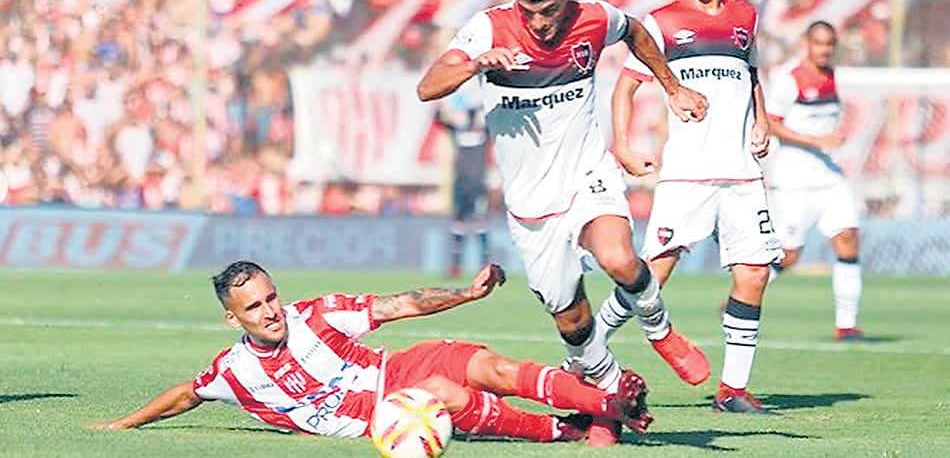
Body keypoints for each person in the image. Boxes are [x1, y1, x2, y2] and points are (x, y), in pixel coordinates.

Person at [416, 0, 711, 444]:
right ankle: (610, 396)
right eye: (529, 13)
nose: (540, 25)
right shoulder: (489, 29)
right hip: (531, 205)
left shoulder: (595, 18)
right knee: (572, 320)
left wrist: (672, 86)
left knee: (620, 259)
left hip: (586, 174)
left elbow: (636, 31)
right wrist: (474, 65)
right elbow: (428, 86)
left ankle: (662, 331)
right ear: (515, 2)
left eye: (550, 12)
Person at [89, 260, 653, 443]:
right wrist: (124, 422)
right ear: (232, 318)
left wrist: (466, 294)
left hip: (397, 367)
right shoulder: (233, 371)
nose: (271, 311)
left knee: (491, 366)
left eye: (271, 297)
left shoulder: (315, 314)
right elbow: (185, 394)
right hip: (376, 416)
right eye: (255, 307)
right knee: (446, 394)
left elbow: (399, 305)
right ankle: (568, 430)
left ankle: (608, 404)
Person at [605, 0, 782, 414]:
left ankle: (732, 390)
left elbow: (751, 75)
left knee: (754, 273)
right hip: (687, 173)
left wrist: (761, 120)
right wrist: (622, 145)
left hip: (742, 172)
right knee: (650, 275)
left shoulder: (746, 16)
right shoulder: (660, 22)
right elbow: (624, 89)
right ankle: (586, 352)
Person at [765, 21, 864, 341]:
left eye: (830, 44)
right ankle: (741, 297)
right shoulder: (789, 78)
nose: (825, 49)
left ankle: (846, 325)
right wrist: (815, 141)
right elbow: (771, 123)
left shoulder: (832, 75)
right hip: (794, 180)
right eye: (819, 43)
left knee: (848, 237)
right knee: (790, 255)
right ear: (807, 42)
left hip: (830, 177)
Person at [435, 87, 491, 277]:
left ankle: (484, 265)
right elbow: (439, 120)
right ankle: (456, 264)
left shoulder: (482, 132)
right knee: (460, 222)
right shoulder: (461, 131)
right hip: (463, 183)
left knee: (478, 223)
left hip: (476, 184)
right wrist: (440, 104)